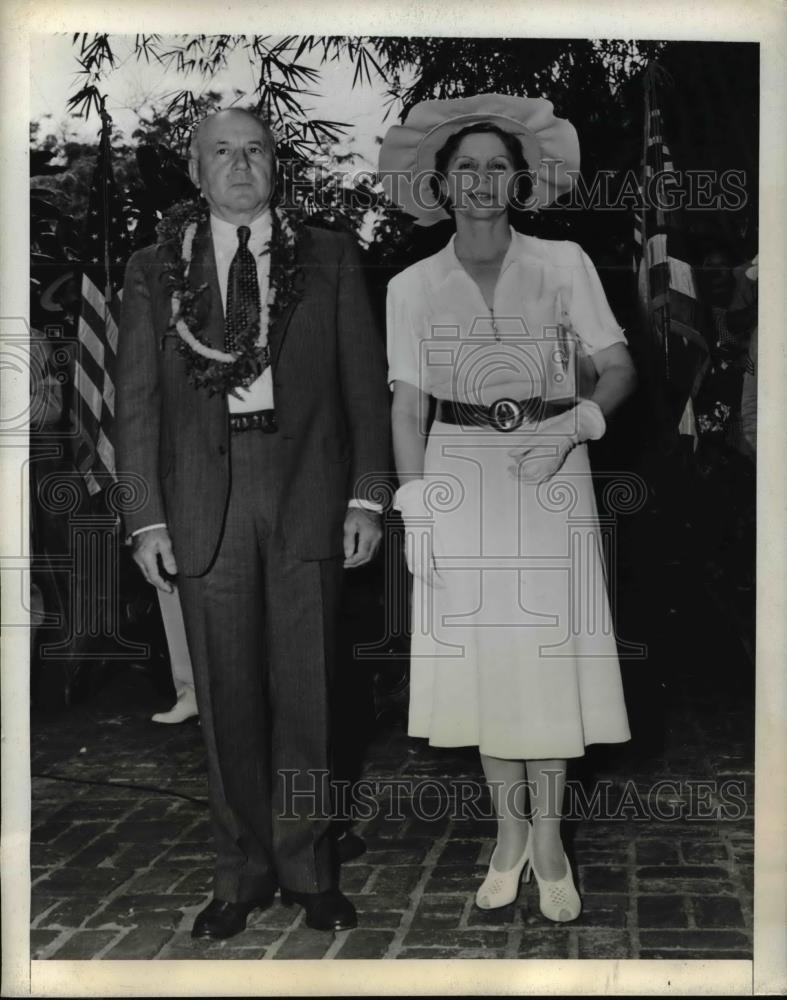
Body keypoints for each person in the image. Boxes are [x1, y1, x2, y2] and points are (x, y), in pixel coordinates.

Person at [116, 108, 389, 936]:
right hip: (204, 499)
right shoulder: (153, 270)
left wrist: (367, 496)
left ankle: (310, 870)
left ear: (279, 166)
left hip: (305, 487)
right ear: (196, 173)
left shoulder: (331, 257)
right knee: (225, 696)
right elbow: (135, 404)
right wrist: (144, 519)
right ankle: (239, 875)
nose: (240, 165)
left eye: (256, 150)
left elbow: (363, 388)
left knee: (307, 692)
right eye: (221, 153)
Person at [379, 95, 637, 922]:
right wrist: (416, 508)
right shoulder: (412, 284)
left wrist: (577, 424)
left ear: (516, 182)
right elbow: (404, 406)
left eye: (498, 168)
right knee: (486, 665)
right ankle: (507, 835)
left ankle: (551, 843)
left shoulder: (562, 263)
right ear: (443, 185)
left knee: (545, 661)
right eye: (468, 170)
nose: (483, 182)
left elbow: (617, 366)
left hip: (549, 469)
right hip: (456, 477)